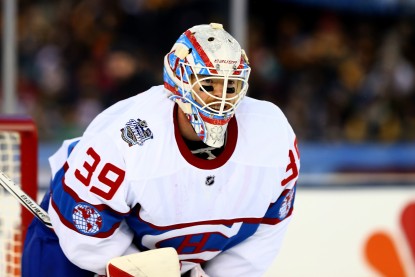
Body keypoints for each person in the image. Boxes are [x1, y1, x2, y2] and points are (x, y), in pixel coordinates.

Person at [22, 23, 300, 277]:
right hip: (72, 246)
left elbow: (269, 227)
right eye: (208, 85)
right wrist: (145, 272)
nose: (221, 99)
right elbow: (85, 237)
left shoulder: (273, 135)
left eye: (231, 86)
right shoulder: (123, 138)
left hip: (174, 258)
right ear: (179, 82)